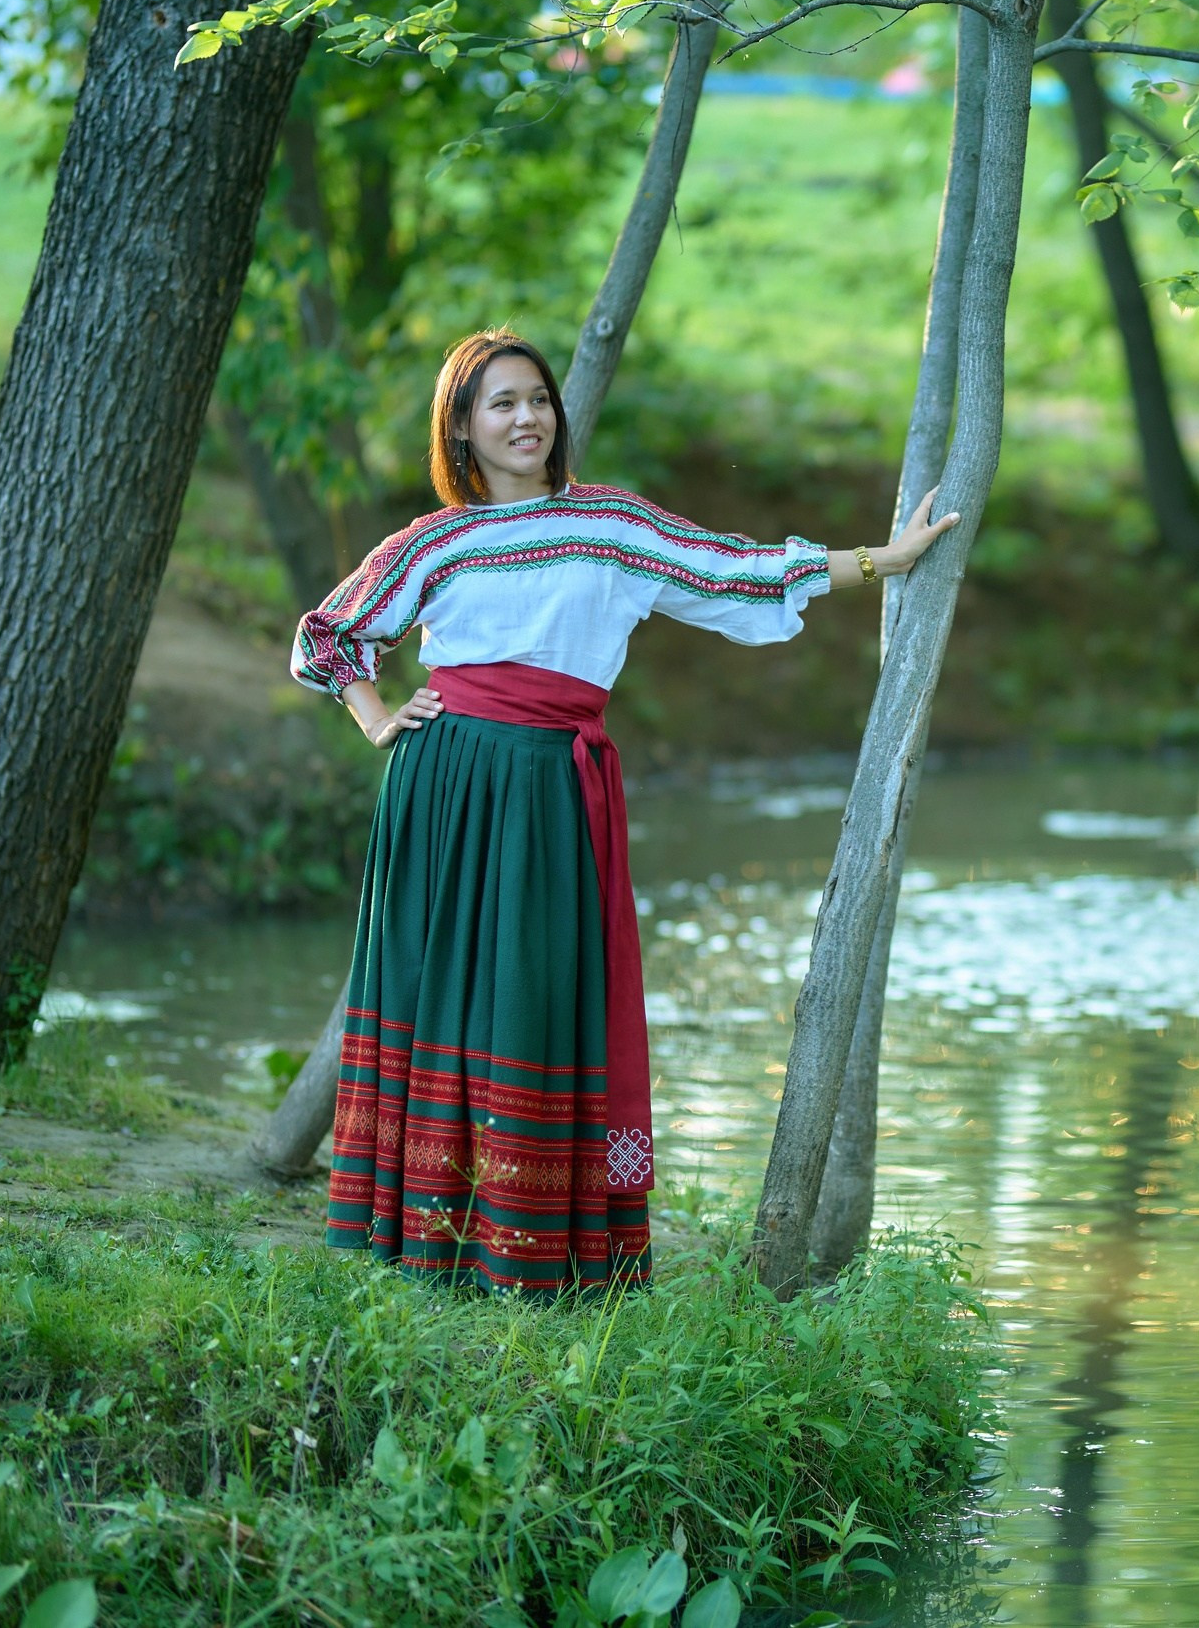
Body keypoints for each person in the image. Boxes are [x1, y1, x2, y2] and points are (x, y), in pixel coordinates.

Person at [290, 329, 956, 1294]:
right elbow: (329, 634)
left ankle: (526, 1246)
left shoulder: (611, 525)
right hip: (444, 788)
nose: (527, 418)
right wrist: (379, 719)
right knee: (443, 998)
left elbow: (738, 570)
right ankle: (424, 1241)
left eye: (537, 399)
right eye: (501, 404)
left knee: (534, 995)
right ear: (463, 429)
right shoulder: (433, 542)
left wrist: (885, 559)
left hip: (554, 788)